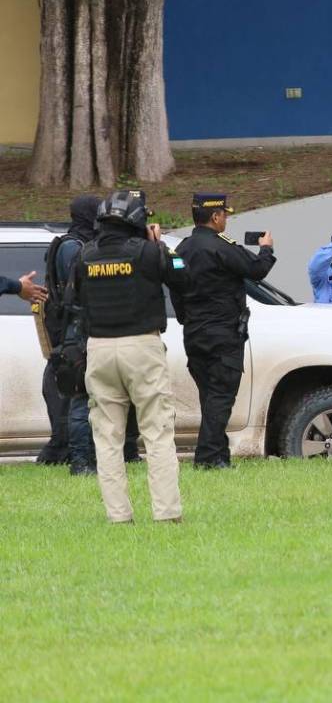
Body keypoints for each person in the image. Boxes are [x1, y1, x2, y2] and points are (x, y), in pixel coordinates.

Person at [69, 190, 190, 523]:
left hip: (99, 349)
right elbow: (183, 275)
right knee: (157, 430)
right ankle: (167, 513)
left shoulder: (85, 254)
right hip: (141, 347)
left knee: (107, 437)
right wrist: (163, 246)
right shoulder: (149, 252)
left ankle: (119, 516)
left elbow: (74, 298)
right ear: (137, 220)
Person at [172, 193, 277, 469]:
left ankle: (219, 455)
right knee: (221, 397)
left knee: (210, 397)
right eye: (225, 215)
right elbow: (256, 270)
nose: (226, 220)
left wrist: (187, 319)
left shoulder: (181, 249)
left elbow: (175, 288)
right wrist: (266, 248)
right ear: (215, 216)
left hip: (194, 334)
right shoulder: (221, 246)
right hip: (222, 335)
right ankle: (207, 457)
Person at [36, 195, 99, 467]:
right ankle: (72, 454)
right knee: (77, 396)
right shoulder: (75, 247)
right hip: (73, 329)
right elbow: (81, 289)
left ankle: (63, 451)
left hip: (67, 329)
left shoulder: (70, 243)